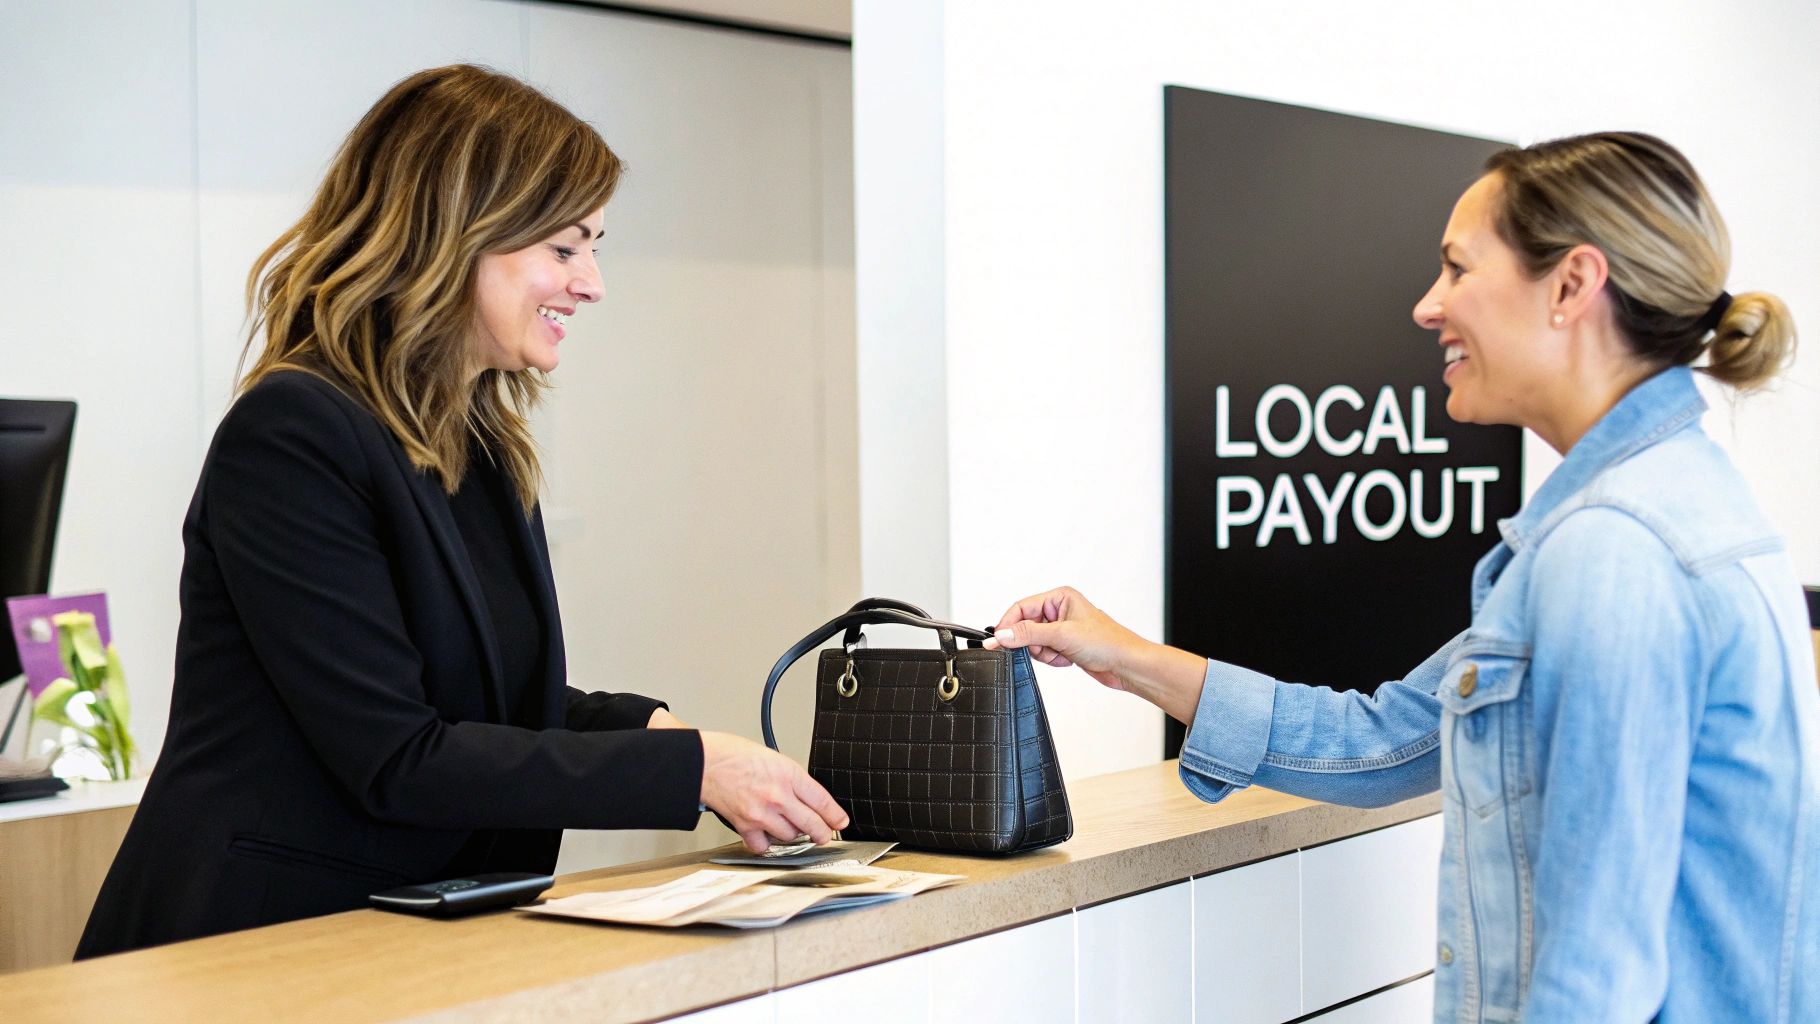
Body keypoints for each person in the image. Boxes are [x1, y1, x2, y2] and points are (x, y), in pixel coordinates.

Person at [985, 133, 1816, 1021]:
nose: (1428, 307)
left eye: (1458, 269)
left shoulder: (1615, 550)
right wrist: (1134, 660)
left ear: (1572, 285)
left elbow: (1593, 974)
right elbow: (1394, 739)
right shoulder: (1672, 502)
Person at [77, 64, 845, 959]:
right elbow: (398, 755)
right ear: (456, 236)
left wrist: (656, 731)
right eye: (564, 249)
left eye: (594, 247)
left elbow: (484, 702)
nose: (591, 283)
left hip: (411, 936)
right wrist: (694, 766)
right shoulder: (292, 434)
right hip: (254, 949)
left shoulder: (478, 444)